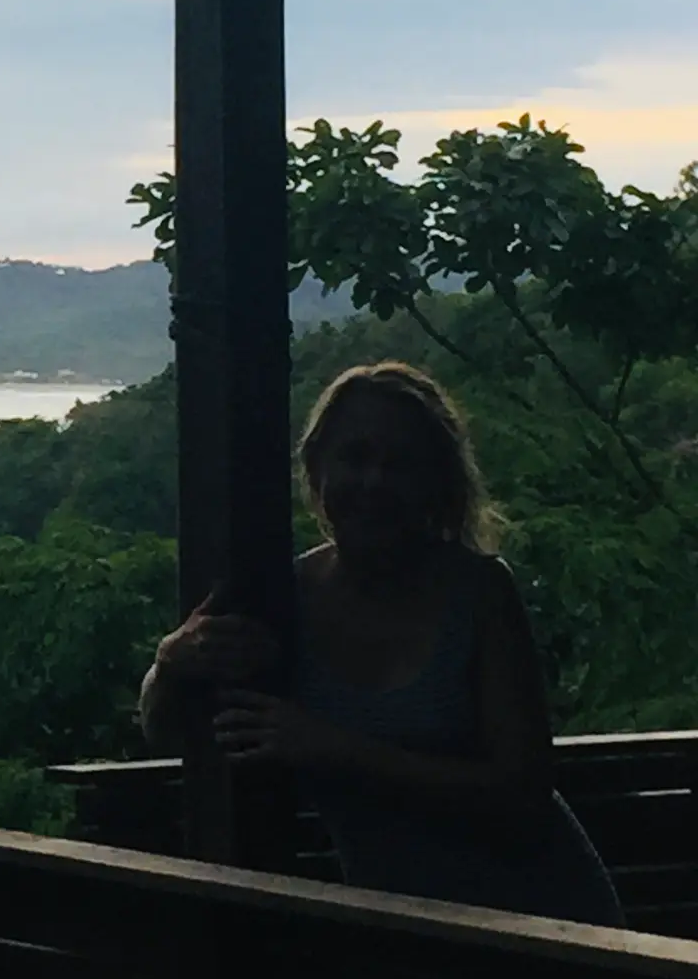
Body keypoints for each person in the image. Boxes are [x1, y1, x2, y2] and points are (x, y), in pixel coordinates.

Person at [140, 362, 624, 927]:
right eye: (355, 457)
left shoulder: (479, 594)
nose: (374, 482)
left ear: (437, 483)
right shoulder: (281, 597)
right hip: (402, 927)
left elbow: (521, 794)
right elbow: (163, 726)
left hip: (545, 922)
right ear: (317, 469)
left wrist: (332, 747)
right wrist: (172, 659)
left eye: (401, 464)